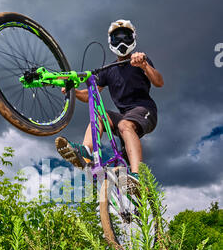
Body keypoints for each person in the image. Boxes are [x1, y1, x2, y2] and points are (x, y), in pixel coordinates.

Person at [55, 19, 164, 182]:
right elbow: (90, 96)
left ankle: (137, 177)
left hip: (145, 110)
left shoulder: (140, 60)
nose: (121, 42)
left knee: (124, 124)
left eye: (125, 37)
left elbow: (159, 82)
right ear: (110, 42)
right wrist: (74, 92)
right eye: (116, 38)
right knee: (100, 115)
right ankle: (85, 151)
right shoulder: (109, 70)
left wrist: (144, 65)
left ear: (133, 38)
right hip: (124, 116)